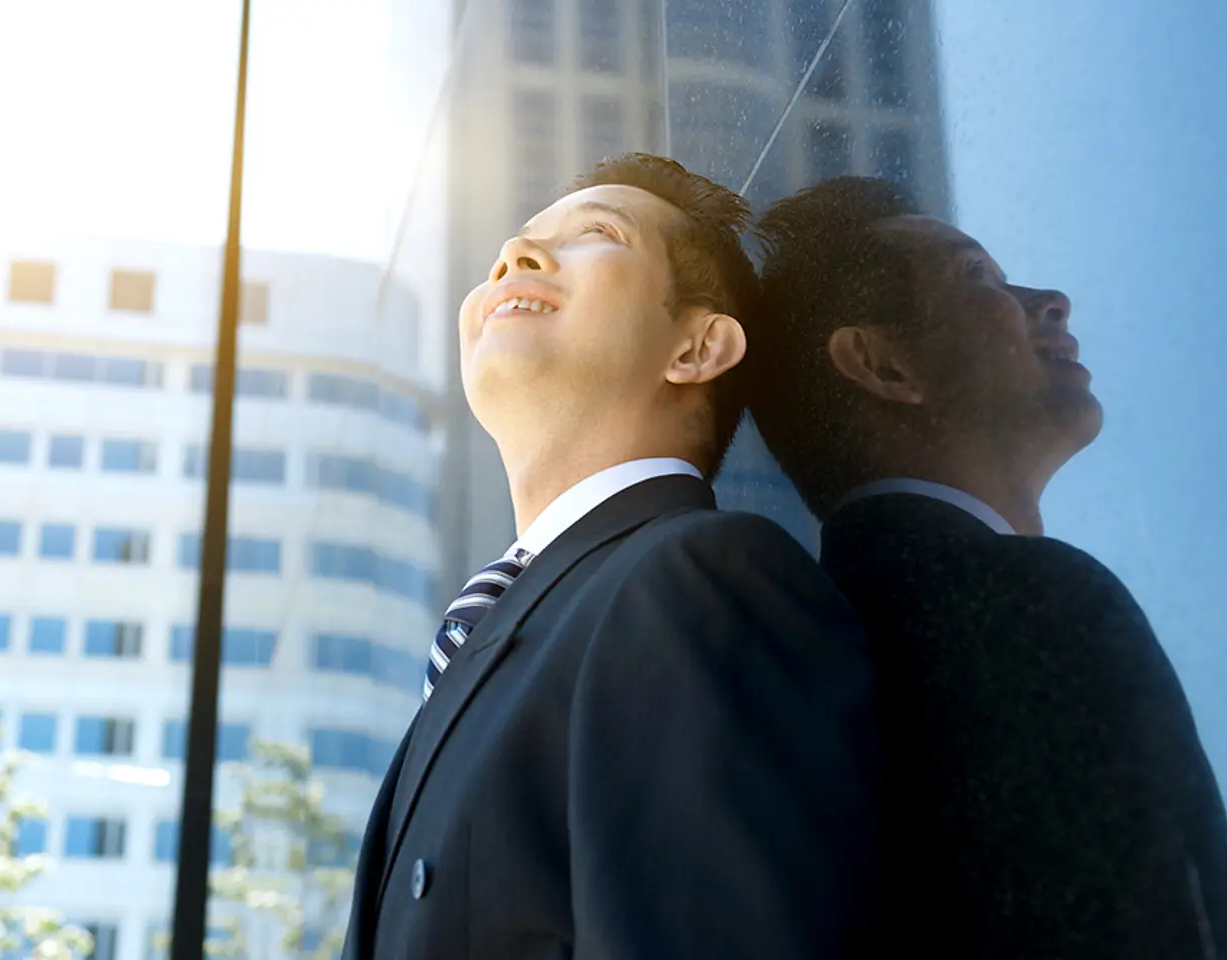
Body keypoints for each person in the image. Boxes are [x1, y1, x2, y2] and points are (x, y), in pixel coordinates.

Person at [342, 154, 879, 959]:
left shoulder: (701, 576)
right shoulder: (501, 635)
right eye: (513, 247)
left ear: (696, 348)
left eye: (596, 233)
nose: (514, 258)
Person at [747, 175, 1227, 959]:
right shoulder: (1024, 602)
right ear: (883, 366)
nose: (1050, 299)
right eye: (977, 276)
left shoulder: (795, 650)